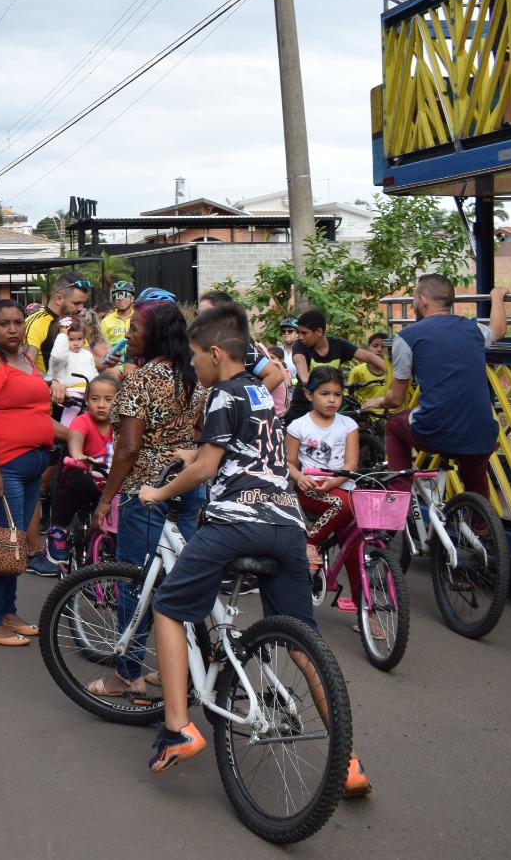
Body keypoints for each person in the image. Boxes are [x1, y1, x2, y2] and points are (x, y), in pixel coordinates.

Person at [132, 307, 336, 783]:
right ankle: (347, 760)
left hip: (237, 523)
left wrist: (158, 492)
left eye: (197, 356)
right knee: (305, 643)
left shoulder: (220, 393)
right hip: (287, 525)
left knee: (168, 606)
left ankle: (177, 729)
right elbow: (240, 450)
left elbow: (206, 470)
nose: (194, 364)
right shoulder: (258, 391)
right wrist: (194, 452)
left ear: (216, 353)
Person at [87, 299, 206, 698]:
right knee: (177, 581)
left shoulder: (140, 379)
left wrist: (106, 500)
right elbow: (202, 432)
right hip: (188, 487)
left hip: (147, 492)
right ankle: (186, 668)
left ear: (154, 335)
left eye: (135, 328)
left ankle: (125, 673)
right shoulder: (196, 376)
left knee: (133, 583)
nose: (129, 334)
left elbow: (128, 447)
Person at [0, 299, 59, 646]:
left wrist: (72, 433)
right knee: (2, 544)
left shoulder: (24, 360)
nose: (13, 329)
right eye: (4, 323)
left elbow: (34, 413)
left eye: (19, 322)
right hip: (1, 466)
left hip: (31, 464)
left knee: (13, 543)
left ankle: (7, 611)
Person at [365, 278, 509, 498]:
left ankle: (401, 496)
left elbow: (396, 400)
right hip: (482, 433)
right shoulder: (473, 329)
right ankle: (482, 527)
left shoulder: (407, 337)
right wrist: (496, 296)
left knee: (394, 425)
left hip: (434, 431)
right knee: (474, 475)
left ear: (422, 301)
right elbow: (499, 328)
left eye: (413, 298)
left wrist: (380, 402)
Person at [284, 367, 365, 617]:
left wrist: (335, 481)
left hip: (342, 489)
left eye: (338, 395)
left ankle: (366, 613)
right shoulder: (298, 425)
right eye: (325, 393)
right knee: (345, 505)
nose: (332, 400)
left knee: (357, 551)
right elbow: (289, 463)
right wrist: (299, 477)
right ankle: (312, 541)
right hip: (312, 490)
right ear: (309, 395)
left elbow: (351, 464)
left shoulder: (348, 424)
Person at [48, 373, 118, 567]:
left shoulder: (122, 425)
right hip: (85, 478)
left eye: (108, 400)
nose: (101, 404)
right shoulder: (83, 421)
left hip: (111, 486)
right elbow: (75, 437)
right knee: (80, 479)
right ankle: (59, 529)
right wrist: (78, 454)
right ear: (87, 401)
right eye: (95, 399)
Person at [282, 310, 384, 425]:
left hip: (332, 402)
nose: (300, 337)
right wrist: (306, 380)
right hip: (304, 403)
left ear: (319, 332)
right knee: (289, 429)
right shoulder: (300, 346)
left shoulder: (338, 345)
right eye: (298, 333)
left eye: (304, 333)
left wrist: (392, 372)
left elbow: (367, 356)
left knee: (359, 419)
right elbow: (299, 361)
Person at [22, 276, 90, 375]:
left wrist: (106, 361)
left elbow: (86, 356)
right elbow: (25, 367)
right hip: (49, 388)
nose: (81, 308)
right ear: (58, 299)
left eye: (83, 303)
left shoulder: (73, 322)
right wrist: (50, 381)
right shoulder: (35, 323)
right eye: (76, 303)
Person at [100, 282, 134, 348]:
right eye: (117, 295)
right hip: (114, 357)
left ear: (132, 298)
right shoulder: (106, 321)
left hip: (136, 357)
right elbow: (102, 345)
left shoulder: (139, 318)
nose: (120, 298)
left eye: (124, 295)